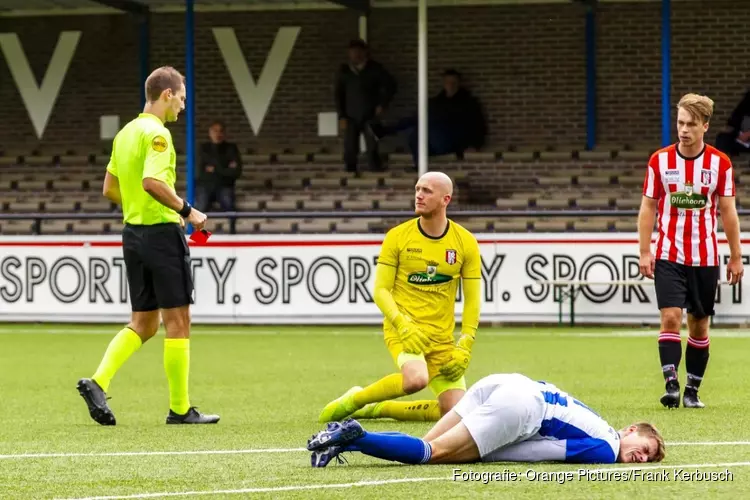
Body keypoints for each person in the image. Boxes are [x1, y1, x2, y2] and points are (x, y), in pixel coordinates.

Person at [76, 66, 220, 425]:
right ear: (167, 94)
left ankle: (98, 381)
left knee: (143, 323)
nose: (182, 107)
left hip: (133, 235)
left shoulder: (125, 133)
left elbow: (109, 188)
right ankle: (180, 409)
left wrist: (137, 207)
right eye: (181, 99)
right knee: (178, 321)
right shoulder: (158, 135)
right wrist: (189, 212)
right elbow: (152, 182)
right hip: (160, 234)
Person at [318, 171, 481, 424]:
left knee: (458, 415)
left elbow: (472, 299)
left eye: (427, 190)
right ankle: (356, 400)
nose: (419, 194)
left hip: (440, 338)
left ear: (445, 199)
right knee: (416, 379)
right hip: (403, 329)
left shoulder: (466, 242)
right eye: (417, 189)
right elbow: (380, 290)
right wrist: (402, 324)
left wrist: (465, 344)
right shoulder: (397, 236)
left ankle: (378, 409)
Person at [307, 373, 666, 467]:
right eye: (645, 449)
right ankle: (355, 436)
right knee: (432, 454)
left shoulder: (599, 423)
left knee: (425, 446)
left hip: (507, 383)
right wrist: (485, 452)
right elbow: (544, 451)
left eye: (647, 458)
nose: (641, 458)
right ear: (631, 430)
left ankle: (341, 438)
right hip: (521, 405)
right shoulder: (606, 448)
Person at [638, 93, 743, 410]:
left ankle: (692, 390)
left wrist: (736, 255)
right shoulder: (659, 161)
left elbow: (728, 212)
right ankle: (671, 384)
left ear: (705, 126)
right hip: (669, 255)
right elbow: (648, 207)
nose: (683, 129)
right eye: (680, 123)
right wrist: (645, 250)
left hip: (705, 257)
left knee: (699, 324)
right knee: (670, 317)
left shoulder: (720, 164)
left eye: (691, 124)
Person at [370, 69, 486, 168]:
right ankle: (419, 167)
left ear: (459, 84)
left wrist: (474, 145)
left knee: (423, 123)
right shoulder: (436, 102)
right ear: (444, 84)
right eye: (447, 82)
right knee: (418, 127)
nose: (450, 85)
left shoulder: (468, 103)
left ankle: (385, 132)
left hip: (452, 141)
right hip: (433, 141)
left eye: (453, 82)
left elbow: (478, 124)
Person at [335, 39, 397, 172]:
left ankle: (375, 168)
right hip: (350, 114)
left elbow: (391, 85)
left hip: (370, 113)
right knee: (350, 145)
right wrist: (341, 116)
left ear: (365, 52)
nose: (355, 55)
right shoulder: (344, 71)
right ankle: (350, 170)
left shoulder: (375, 69)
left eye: (358, 52)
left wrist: (382, 103)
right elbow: (338, 94)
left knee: (372, 143)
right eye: (353, 52)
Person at [196, 121, 242, 232]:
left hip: (225, 186)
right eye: (215, 131)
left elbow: (236, 172)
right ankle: (200, 241)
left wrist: (214, 169)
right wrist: (225, 168)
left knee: (231, 210)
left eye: (221, 131)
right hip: (206, 186)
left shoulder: (231, 148)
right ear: (210, 133)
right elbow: (200, 172)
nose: (218, 134)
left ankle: (232, 238)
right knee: (199, 212)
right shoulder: (203, 148)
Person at [715, 89, 750, 157]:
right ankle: (720, 164)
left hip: (747, 137)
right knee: (722, 138)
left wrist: (748, 134)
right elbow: (734, 120)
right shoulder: (746, 104)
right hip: (741, 138)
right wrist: (729, 128)